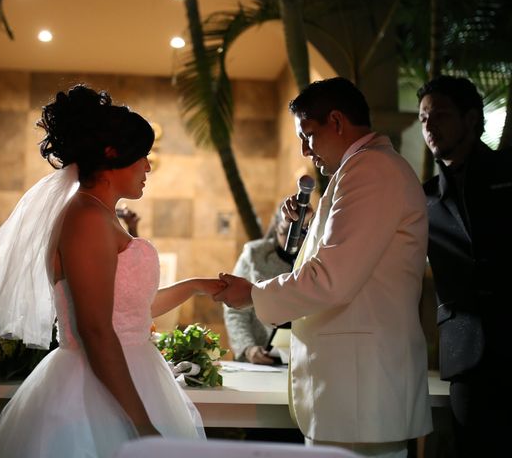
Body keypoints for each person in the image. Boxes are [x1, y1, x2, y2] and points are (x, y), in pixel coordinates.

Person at [0, 84, 225, 457]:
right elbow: (96, 330)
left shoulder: (101, 216)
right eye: (143, 156)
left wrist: (198, 286)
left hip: (131, 371)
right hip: (92, 391)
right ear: (111, 154)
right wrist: (141, 423)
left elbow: (129, 313)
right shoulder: (86, 218)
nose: (148, 166)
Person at [215, 77, 432, 457]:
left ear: (336, 121)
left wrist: (252, 294)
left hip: (360, 391)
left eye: (308, 135)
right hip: (352, 390)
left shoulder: (371, 170)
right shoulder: (359, 171)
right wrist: (308, 229)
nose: (304, 150)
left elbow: (332, 278)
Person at [417, 75, 512, 457]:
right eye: (423, 119)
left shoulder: (508, 172)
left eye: (439, 115)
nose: (430, 127)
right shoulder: (421, 197)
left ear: (471, 118)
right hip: (465, 355)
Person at [223, 208, 297, 364]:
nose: (293, 240)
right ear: (277, 227)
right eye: (285, 232)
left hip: (301, 358)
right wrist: (247, 348)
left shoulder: (317, 260)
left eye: (301, 233)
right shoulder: (255, 254)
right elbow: (234, 311)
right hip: (259, 355)